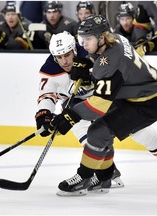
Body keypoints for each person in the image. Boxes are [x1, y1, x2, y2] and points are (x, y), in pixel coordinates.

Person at [48, 15, 157, 196]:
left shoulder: (110, 61)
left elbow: (99, 105)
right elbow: (110, 69)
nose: (84, 44)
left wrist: (71, 115)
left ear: (102, 37)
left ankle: (85, 177)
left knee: (99, 131)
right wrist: (89, 68)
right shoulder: (117, 39)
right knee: (117, 131)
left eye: (88, 39)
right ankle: (106, 177)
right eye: (82, 39)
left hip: (146, 102)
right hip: (144, 92)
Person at [35, 31, 124, 195]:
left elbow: (112, 73)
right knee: (88, 136)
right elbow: (47, 94)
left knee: (141, 132)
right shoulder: (49, 69)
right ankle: (107, 172)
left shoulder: (91, 52)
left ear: (74, 50)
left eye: (67, 55)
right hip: (79, 106)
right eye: (59, 57)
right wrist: (44, 114)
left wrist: (90, 76)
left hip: (107, 100)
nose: (64, 61)